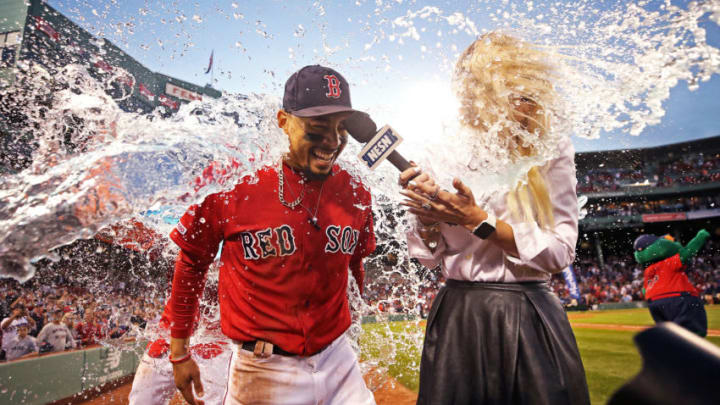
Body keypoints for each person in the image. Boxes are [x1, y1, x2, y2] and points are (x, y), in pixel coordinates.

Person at [167, 65, 377, 405]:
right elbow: (191, 260)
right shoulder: (234, 180)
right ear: (283, 121)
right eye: (318, 127)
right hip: (262, 370)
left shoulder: (355, 190)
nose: (332, 142)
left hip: (338, 360)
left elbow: (355, 265)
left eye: (341, 129)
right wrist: (179, 351)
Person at [399, 33, 590, 405]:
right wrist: (424, 218)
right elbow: (425, 255)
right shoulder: (442, 148)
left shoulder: (551, 148)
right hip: (459, 312)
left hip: (531, 311)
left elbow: (561, 251)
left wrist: (477, 220)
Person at [634, 230, 711, 337]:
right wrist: (700, 237)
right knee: (691, 334)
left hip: (654, 303)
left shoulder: (648, 271)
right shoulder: (668, 263)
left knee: (670, 334)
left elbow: (644, 290)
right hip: (676, 298)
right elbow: (687, 253)